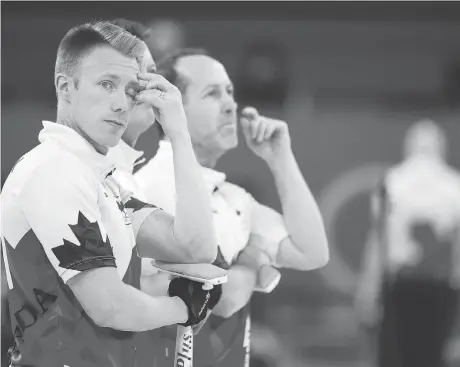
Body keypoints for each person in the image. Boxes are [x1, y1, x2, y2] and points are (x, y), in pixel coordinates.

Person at [0, 22, 221, 367]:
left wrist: (178, 129)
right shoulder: (54, 171)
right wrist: (183, 308)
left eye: (131, 91)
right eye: (106, 85)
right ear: (65, 87)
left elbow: (194, 246)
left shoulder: (101, 182)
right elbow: (109, 305)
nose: (121, 103)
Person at [134, 49, 330, 367]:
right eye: (212, 93)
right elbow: (218, 299)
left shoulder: (233, 197)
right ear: (170, 107)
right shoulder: (150, 187)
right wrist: (251, 262)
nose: (231, 105)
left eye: (230, 92)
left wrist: (280, 159)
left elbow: (312, 253)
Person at [356, 119, 460, 367]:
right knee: (432, 355)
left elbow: (378, 242)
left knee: (396, 355)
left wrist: (367, 287)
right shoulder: (455, 186)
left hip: (400, 284)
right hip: (440, 287)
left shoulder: (391, 181)